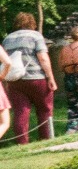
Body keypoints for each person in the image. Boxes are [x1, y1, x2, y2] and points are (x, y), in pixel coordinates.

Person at [3, 13, 57, 144]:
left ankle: (22, 143)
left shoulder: (7, 39)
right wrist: (51, 78)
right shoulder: (35, 36)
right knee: (44, 109)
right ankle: (46, 139)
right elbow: (43, 58)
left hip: (15, 80)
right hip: (37, 78)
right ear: (32, 23)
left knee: (21, 112)